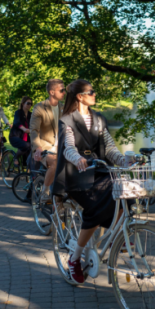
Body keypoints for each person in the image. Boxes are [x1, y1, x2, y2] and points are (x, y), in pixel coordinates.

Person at [53, 79, 126, 285]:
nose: (95, 95)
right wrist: (78, 159)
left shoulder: (99, 119)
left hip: (99, 172)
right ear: (80, 96)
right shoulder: (67, 120)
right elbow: (68, 147)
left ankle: (115, 238)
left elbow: (109, 147)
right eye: (91, 92)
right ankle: (75, 258)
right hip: (76, 176)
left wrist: (124, 161)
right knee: (95, 206)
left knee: (124, 192)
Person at [30, 79, 65, 203]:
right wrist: (38, 148)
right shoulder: (39, 107)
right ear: (52, 92)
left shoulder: (63, 107)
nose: (64, 92)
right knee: (55, 163)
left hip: (60, 146)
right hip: (45, 145)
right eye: (61, 90)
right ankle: (45, 192)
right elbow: (34, 130)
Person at [9, 96, 33, 168]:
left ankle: (27, 166)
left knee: (34, 146)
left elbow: (34, 123)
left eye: (31, 104)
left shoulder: (31, 114)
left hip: (25, 137)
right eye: (28, 103)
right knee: (27, 145)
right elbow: (17, 122)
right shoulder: (18, 113)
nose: (29, 105)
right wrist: (24, 129)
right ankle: (16, 157)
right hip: (15, 136)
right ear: (23, 103)